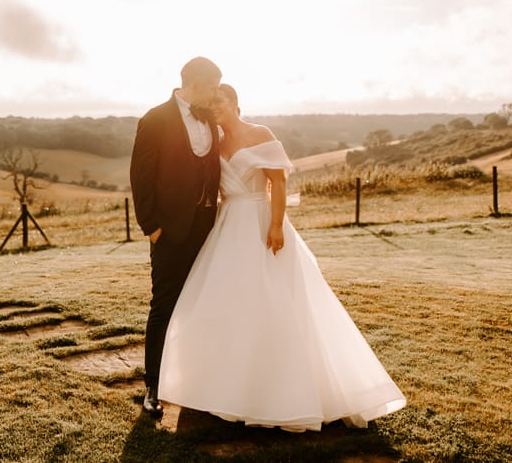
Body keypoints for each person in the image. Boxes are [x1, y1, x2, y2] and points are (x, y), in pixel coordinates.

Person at [158, 84, 406, 431]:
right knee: (226, 302)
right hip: (228, 225)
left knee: (275, 299)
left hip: (261, 221)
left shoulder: (261, 133)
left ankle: (286, 393)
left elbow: (278, 183)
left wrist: (275, 226)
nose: (214, 106)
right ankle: (228, 388)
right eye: (210, 101)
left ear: (235, 103)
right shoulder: (213, 139)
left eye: (220, 100)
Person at [129, 56, 222, 417]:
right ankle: (153, 386)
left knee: (203, 303)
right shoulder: (155, 119)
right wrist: (151, 227)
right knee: (164, 305)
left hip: (209, 229)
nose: (216, 95)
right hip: (169, 231)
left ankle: (199, 382)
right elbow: (141, 177)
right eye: (213, 87)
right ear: (195, 84)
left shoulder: (210, 119)